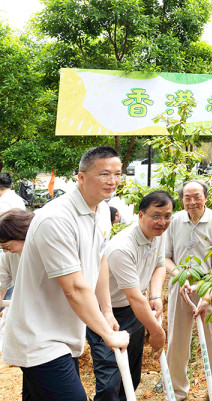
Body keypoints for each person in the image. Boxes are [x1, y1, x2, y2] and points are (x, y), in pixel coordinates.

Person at [1, 146, 129, 401]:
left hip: (66, 333)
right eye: (104, 174)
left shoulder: (102, 211)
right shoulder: (56, 218)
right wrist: (108, 334)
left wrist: (106, 311)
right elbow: (74, 288)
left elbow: (100, 259)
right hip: (39, 338)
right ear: (81, 177)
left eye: (117, 173)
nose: (112, 181)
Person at [87, 190, 173, 400]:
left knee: (131, 376)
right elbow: (134, 297)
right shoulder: (122, 247)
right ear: (141, 215)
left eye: (167, 216)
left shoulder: (157, 235)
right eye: (156, 216)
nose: (162, 222)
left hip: (136, 312)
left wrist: (154, 296)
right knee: (110, 380)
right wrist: (157, 332)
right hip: (108, 315)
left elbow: (159, 266)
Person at [165, 180, 212, 401]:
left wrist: (207, 292)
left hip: (210, 284)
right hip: (181, 286)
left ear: (206, 197)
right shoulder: (174, 221)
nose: (192, 201)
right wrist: (179, 277)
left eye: (197, 196)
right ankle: (177, 391)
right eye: (187, 197)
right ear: (181, 199)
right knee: (177, 339)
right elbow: (165, 257)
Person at [0, 209, 35, 342]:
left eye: (8, 246)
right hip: (22, 323)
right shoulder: (8, 256)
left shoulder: (48, 253)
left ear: (24, 235)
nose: (5, 250)